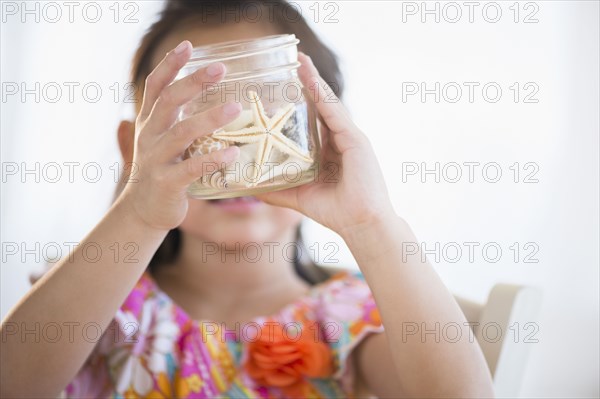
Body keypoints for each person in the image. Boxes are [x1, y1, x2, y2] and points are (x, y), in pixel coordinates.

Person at [0, 1, 495, 398]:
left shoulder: (353, 317)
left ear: (326, 137)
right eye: (202, 123)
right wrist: (136, 212)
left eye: (260, 117)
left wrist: (371, 223)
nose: (233, 157)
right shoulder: (99, 298)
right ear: (136, 149)